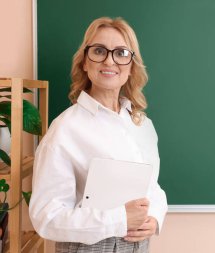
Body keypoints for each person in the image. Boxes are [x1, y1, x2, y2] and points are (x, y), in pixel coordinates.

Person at [29, 17, 168, 253]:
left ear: (132, 65)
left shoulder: (142, 124)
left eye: (121, 52)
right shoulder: (64, 129)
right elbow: (46, 217)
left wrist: (154, 216)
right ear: (85, 62)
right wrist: (120, 220)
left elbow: (152, 187)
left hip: (139, 247)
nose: (109, 60)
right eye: (99, 50)